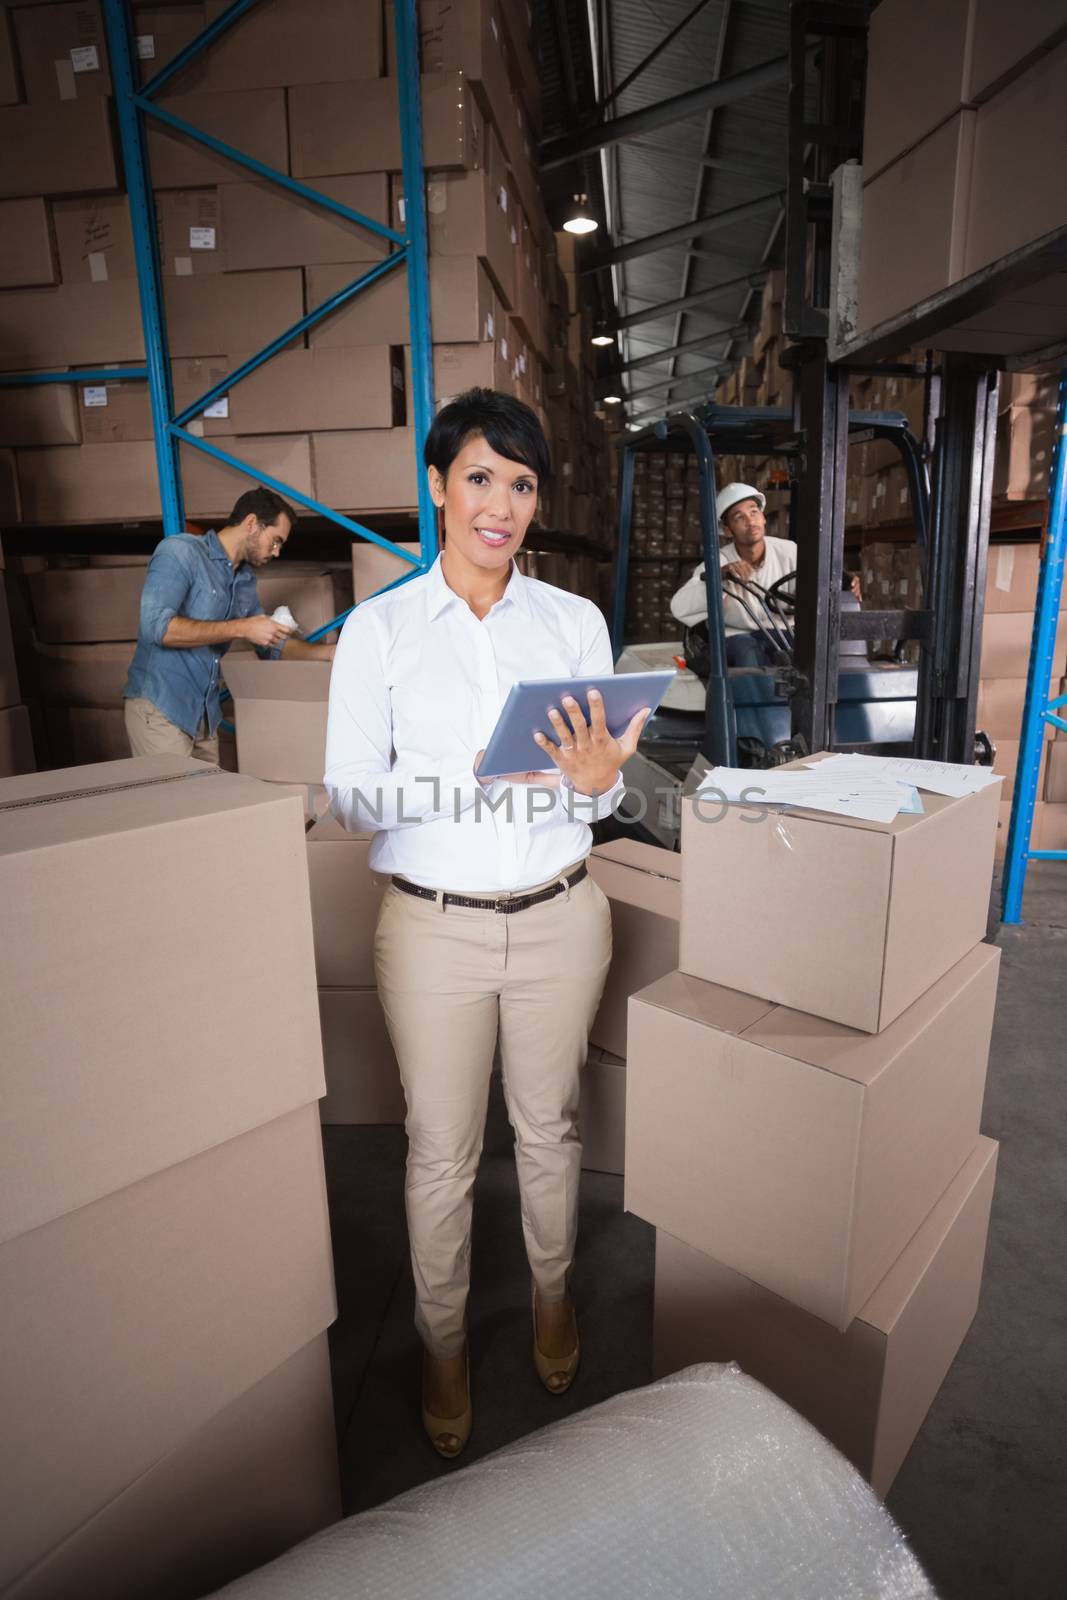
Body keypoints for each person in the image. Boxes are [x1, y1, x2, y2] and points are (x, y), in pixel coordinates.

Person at [324, 389, 649, 1460]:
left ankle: (553, 1297)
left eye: (518, 483)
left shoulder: (571, 622)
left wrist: (602, 782)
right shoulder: (379, 633)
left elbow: (596, 797)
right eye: (478, 478)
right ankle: (444, 1341)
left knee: (550, 1126)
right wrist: (454, 776)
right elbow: (349, 793)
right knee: (441, 1149)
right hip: (432, 930)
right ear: (436, 485)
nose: (498, 504)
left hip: (560, 914)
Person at [123, 487, 334, 762]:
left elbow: (272, 646)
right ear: (251, 524)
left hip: (204, 717)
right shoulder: (181, 552)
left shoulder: (244, 581)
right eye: (275, 540)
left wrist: (327, 654)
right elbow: (158, 628)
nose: (277, 551)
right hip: (161, 709)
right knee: (177, 804)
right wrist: (243, 627)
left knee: (214, 804)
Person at [669, 482, 798, 668]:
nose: (750, 521)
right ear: (728, 530)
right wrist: (717, 577)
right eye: (739, 517)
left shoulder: (789, 551)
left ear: (763, 518)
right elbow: (679, 607)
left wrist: (847, 585)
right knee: (748, 653)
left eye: (754, 512)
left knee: (807, 654)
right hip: (736, 636)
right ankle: (753, 697)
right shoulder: (718, 562)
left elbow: (818, 588)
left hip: (783, 634)